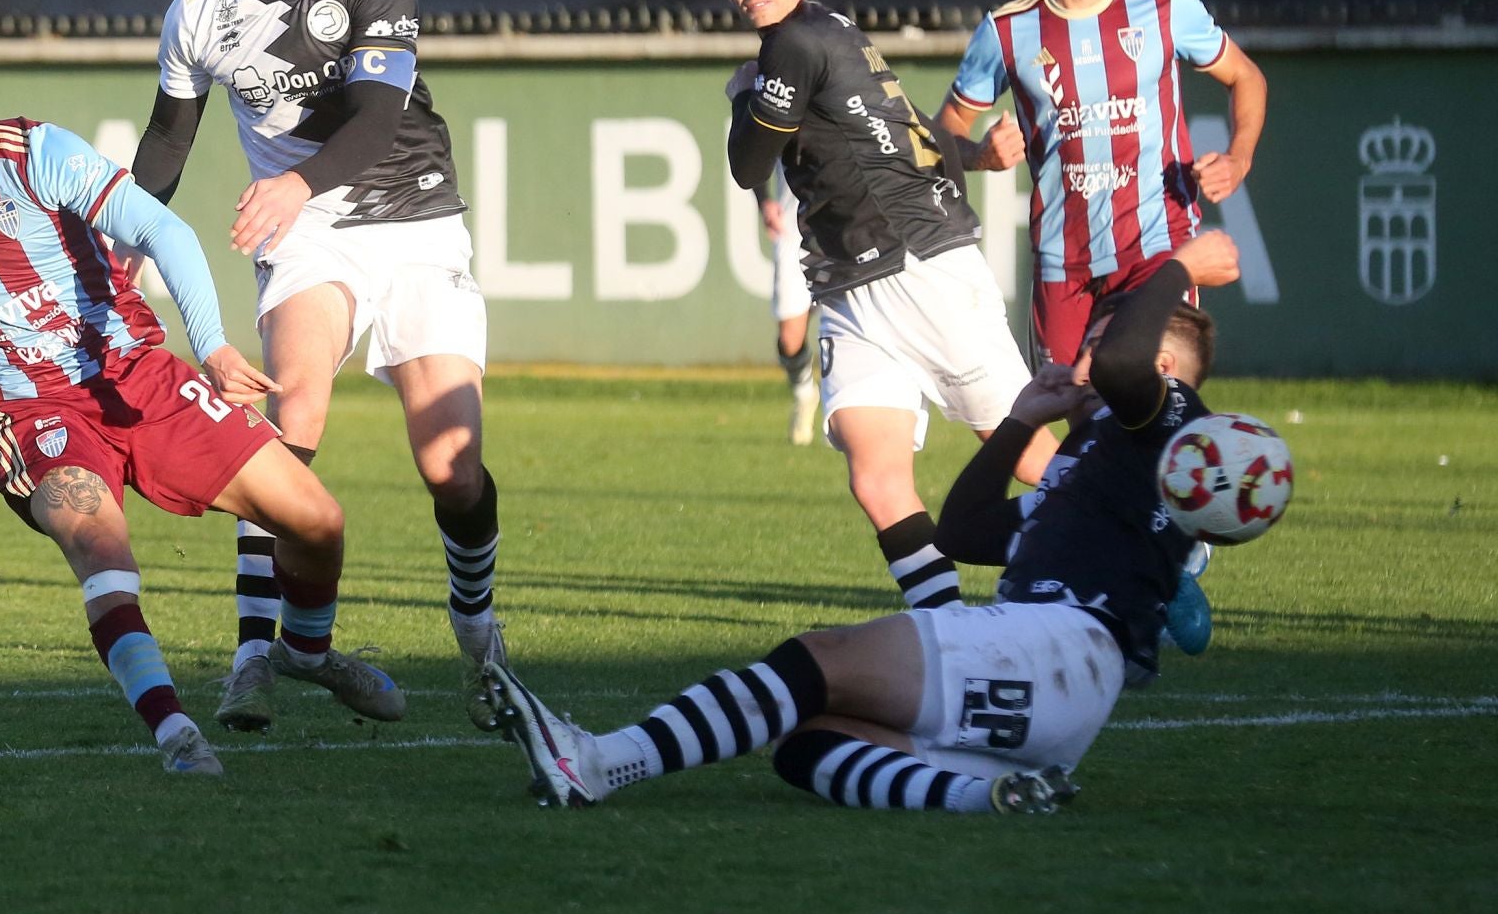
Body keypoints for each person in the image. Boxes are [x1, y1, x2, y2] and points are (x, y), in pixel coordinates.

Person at [0, 50, 403, 774]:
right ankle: (176, 732)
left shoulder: (37, 155)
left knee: (317, 520)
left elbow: (166, 233)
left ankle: (305, 650)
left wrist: (211, 346)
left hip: (134, 374)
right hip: (32, 409)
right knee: (100, 549)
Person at [484, 230, 1248, 814]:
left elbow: (1124, 370)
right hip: (1060, 690)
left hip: (1055, 643)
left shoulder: (1171, 421)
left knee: (822, 656)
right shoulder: (1104, 460)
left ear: (1162, 369)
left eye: (1099, 343)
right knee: (807, 738)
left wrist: (1181, 266)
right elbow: (965, 531)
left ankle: (595, 760)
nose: (1082, 360)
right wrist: (1019, 421)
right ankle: (989, 795)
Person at [127, 0, 508, 734]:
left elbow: (377, 117)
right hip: (309, 237)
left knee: (450, 468)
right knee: (287, 421)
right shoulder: (200, 9)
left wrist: (292, 182)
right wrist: (120, 241)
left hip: (416, 219)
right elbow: (168, 143)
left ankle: (477, 630)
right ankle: (264, 651)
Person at [716, 0, 1056, 612]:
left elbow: (748, 161)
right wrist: (972, 161)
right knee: (875, 478)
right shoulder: (829, 31)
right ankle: (952, 630)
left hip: (916, 269)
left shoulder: (797, 44)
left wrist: (744, 93)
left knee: (1025, 451)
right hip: (851, 283)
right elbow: (916, 139)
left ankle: (1150, 540)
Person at [938, 0, 1267, 368]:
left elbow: (1247, 77)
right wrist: (980, 155)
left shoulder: (1163, 8)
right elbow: (944, 130)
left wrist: (1239, 158)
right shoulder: (1007, 30)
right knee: (1077, 419)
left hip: (1157, 246)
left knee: (1152, 400)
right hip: (1061, 262)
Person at [749, 167, 818, 444]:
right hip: (795, 232)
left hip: (849, 228)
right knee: (790, 339)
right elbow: (753, 144)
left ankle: (844, 415)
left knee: (848, 327)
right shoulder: (787, 120)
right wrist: (764, 201)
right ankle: (805, 396)